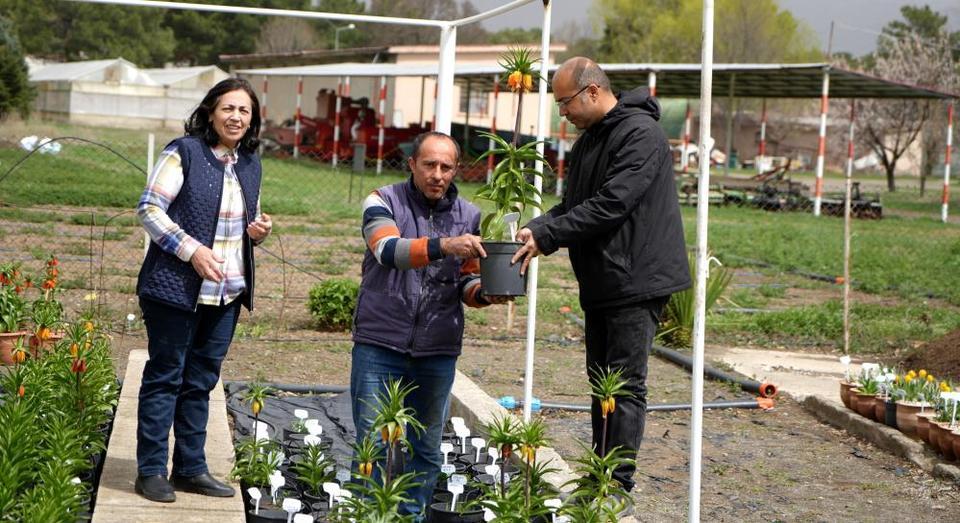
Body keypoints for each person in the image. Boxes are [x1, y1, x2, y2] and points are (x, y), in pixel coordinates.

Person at [513, 57, 691, 495]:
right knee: (602, 382)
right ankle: (599, 475)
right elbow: (574, 205)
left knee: (624, 384)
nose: (562, 113)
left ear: (593, 91)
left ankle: (616, 486)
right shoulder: (589, 142)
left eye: (565, 102)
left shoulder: (641, 135)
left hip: (636, 278)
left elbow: (613, 203)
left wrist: (549, 236)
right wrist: (537, 227)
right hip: (603, 279)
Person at [351, 131, 507, 517]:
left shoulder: (469, 216)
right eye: (429, 165)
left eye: (446, 167)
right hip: (380, 342)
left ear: (456, 170)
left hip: (437, 348)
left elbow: (467, 280)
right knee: (373, 445)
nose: (438, 174)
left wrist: (485, 294)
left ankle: (412, 516)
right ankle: (370, 516)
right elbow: (388, 250)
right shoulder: (382, 200)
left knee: (425, 447)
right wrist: (444, 245)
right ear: (412, 164)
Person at [134, 78, 272, 503]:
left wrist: (257, 231)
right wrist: (191, 250)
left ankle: (190, 468)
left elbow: (243, 221)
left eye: (244, 111)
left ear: (252, 120)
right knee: (166, 377)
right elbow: (149, 209)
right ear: (210, 112)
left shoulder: (250, 165)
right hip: (174, 288)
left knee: (201, 381)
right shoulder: (185, 153)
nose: (236, 117)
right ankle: (151, 471)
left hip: (226, 292)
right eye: (228, 108)